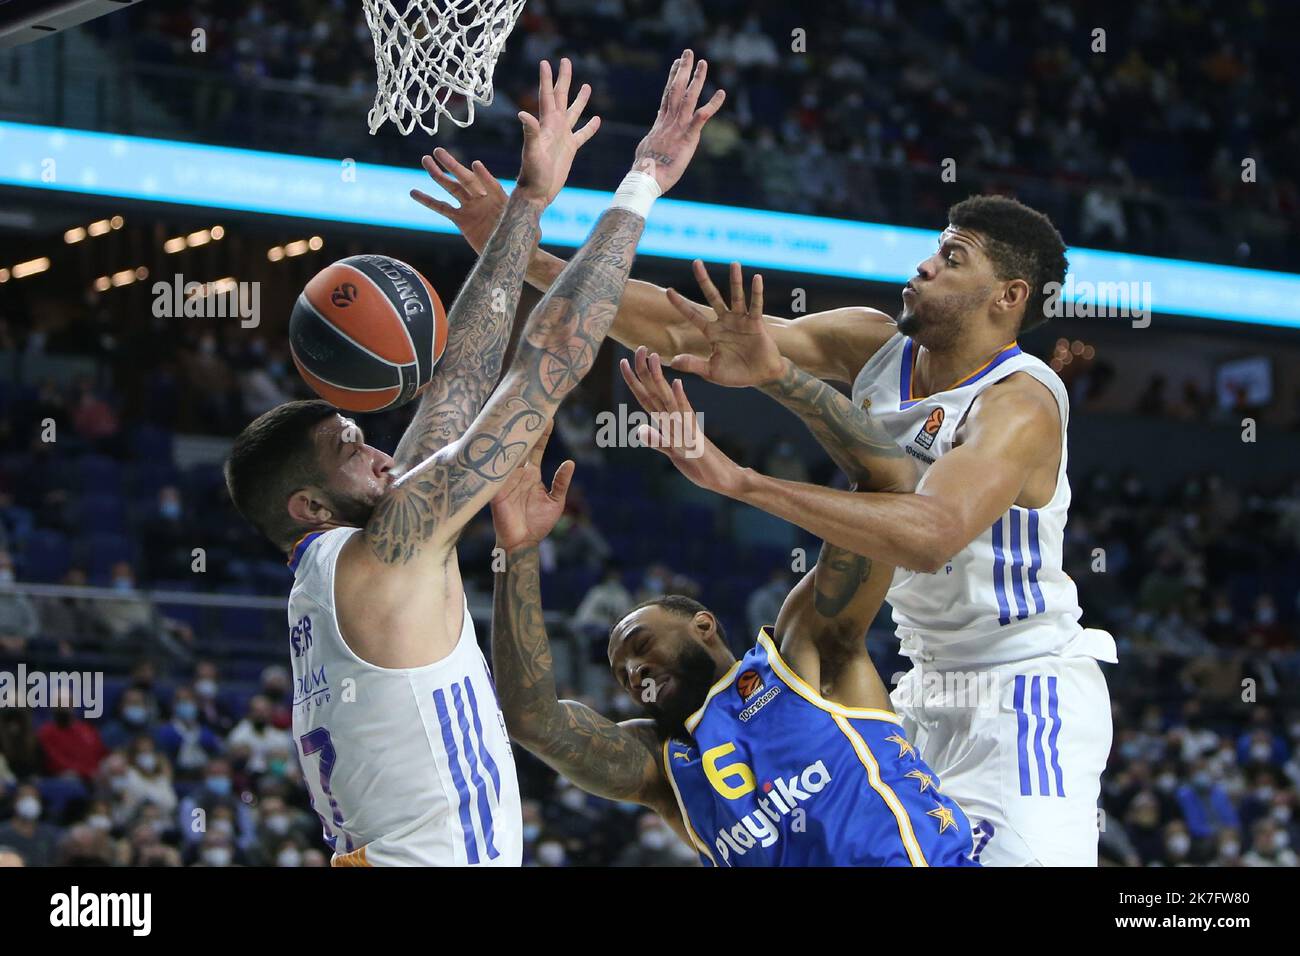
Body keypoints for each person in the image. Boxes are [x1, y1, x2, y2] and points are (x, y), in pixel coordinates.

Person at [222, 53, 724, 866]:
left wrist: (528, 202)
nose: (380, 453)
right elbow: (551, 361)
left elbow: (457, 381)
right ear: (310, 507)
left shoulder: (357, 558)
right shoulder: (381, 556)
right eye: (351, 451)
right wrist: (642, 183)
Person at [609, 204, 1116, 867]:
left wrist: (745, 484)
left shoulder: (1019, 402)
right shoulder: (873, 342)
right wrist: (522, 254)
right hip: (921, 685)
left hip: (1022, 690)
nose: (925, 265)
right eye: (935, 250)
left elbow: (931, 533)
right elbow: (689, 332)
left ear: (1009, 296)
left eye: (953, 259)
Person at [487, 414, 976, 865]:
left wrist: (773, 392)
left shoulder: (801, 654)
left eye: (640, 645)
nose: (634, 673)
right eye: (621, 674)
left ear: (703, 625)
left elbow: (884, 492)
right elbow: (531, 719)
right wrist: (518, 551)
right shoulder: (663, 766)